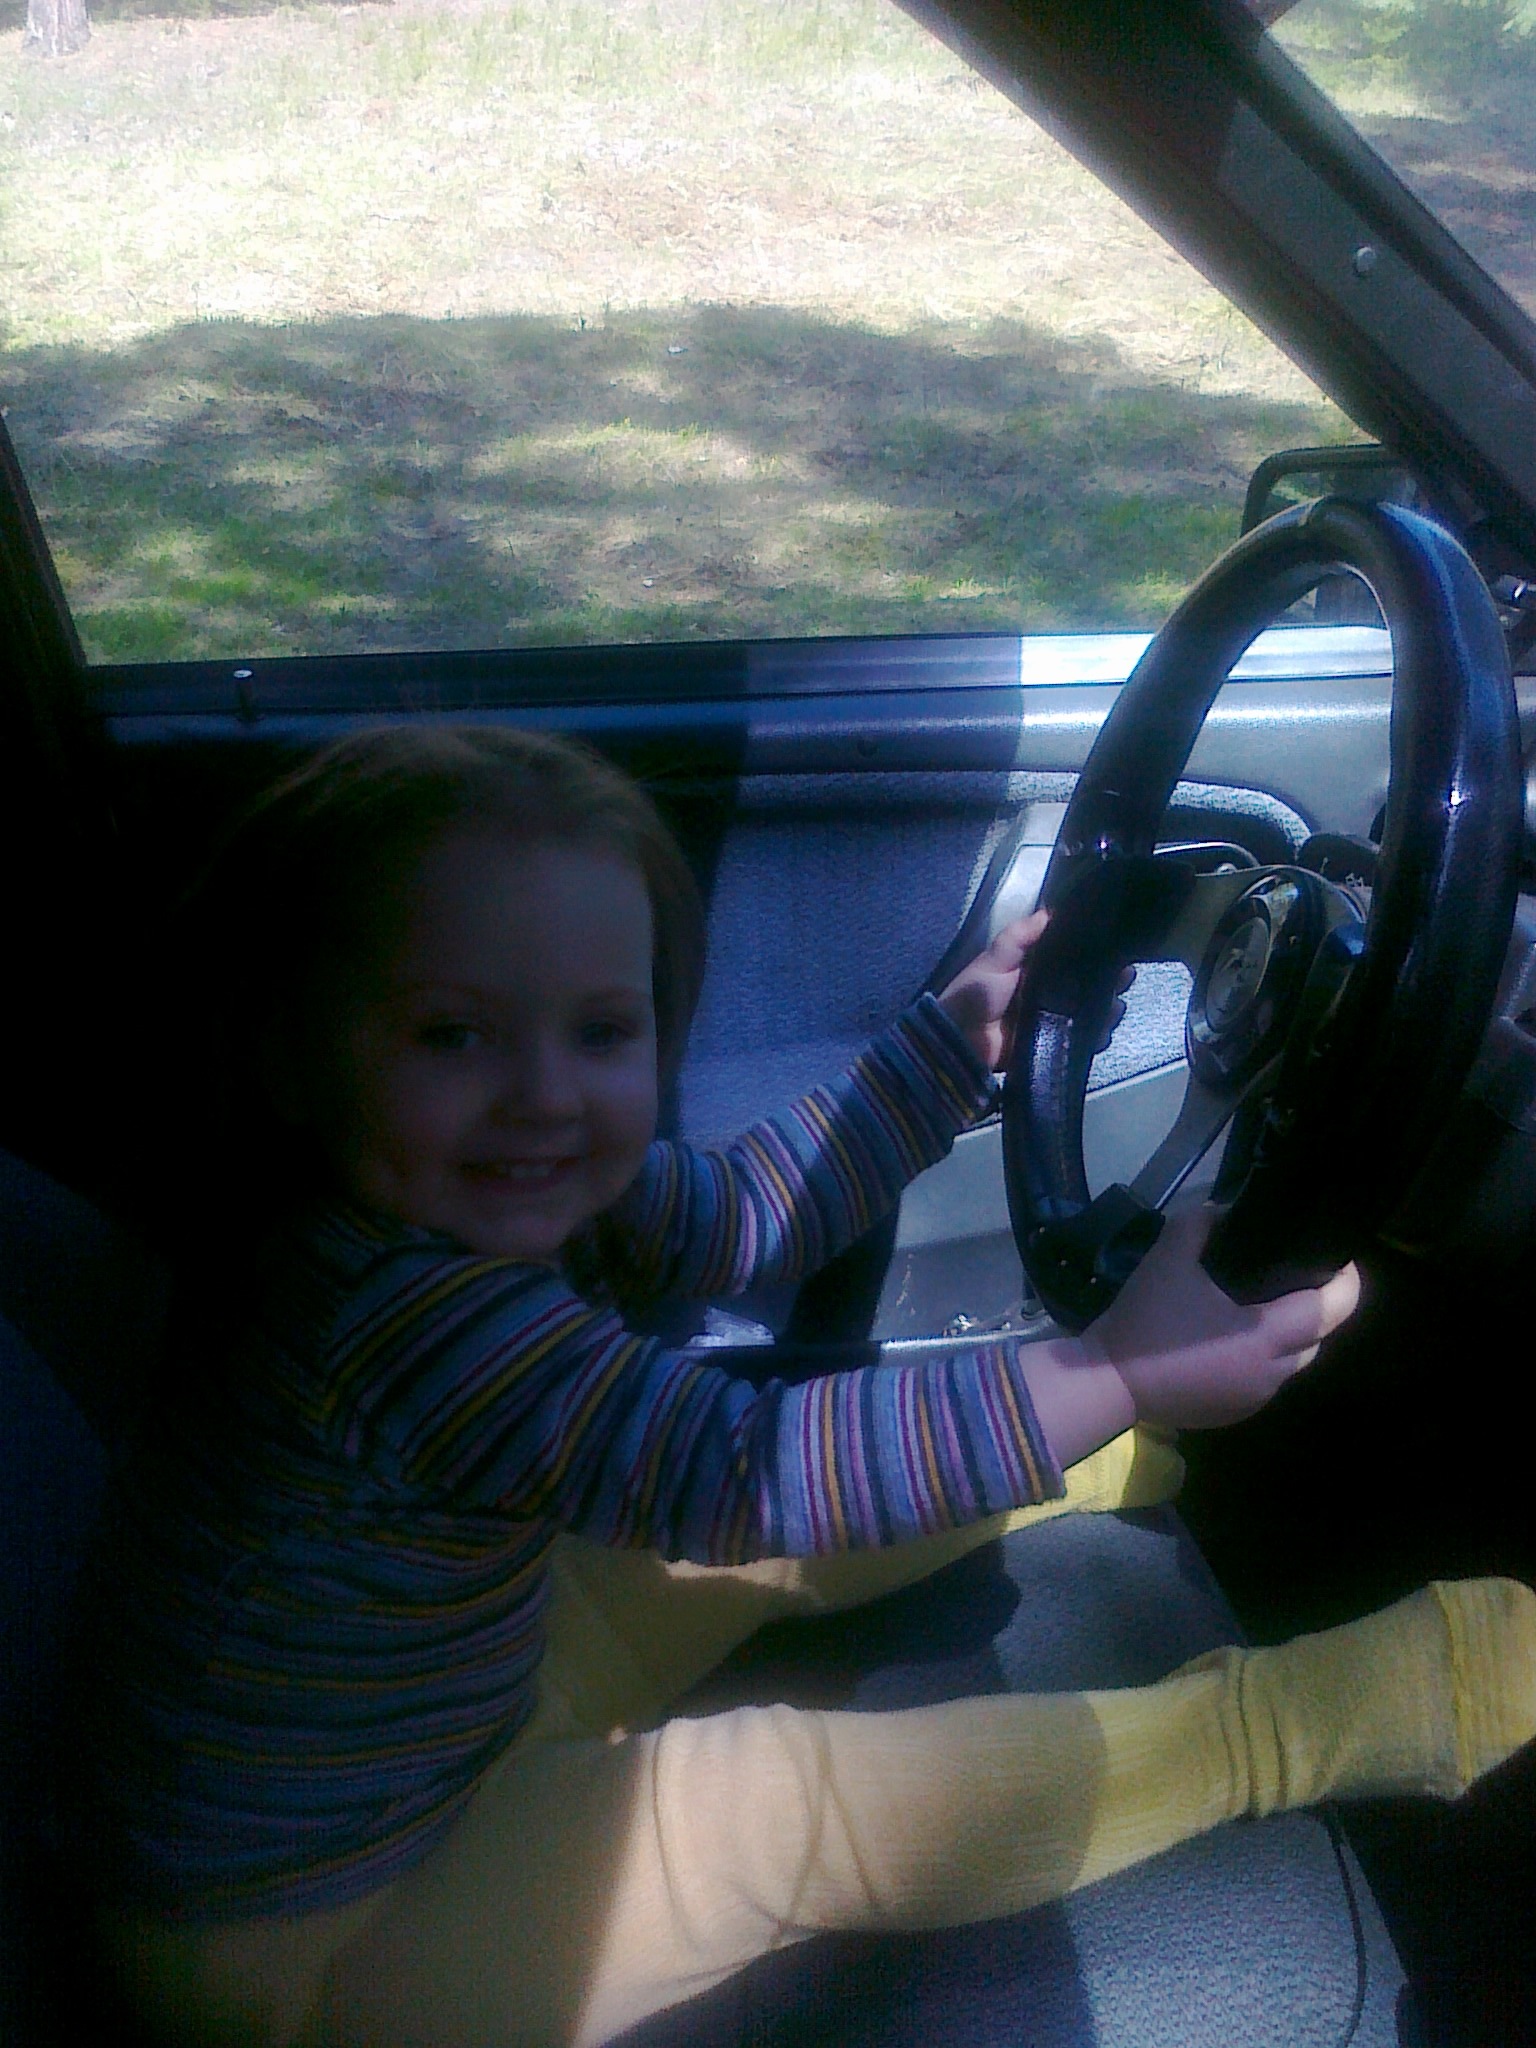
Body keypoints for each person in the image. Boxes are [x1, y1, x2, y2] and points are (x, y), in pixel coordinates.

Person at [59, 725, 1536, 2048]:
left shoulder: (506, 1178)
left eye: (602, 1030)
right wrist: (1114, 1366)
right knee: (776, 1810)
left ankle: (1085, 1457)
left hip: (442, 1707)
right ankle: (1296, 1725)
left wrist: (944, 1053)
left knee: (710, 1541)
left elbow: (745, 1217)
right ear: (296, 1056)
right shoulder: (393, 1312)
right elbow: (740, 1470)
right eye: (454, 1033)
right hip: (304, 1944)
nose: (545, 1094)